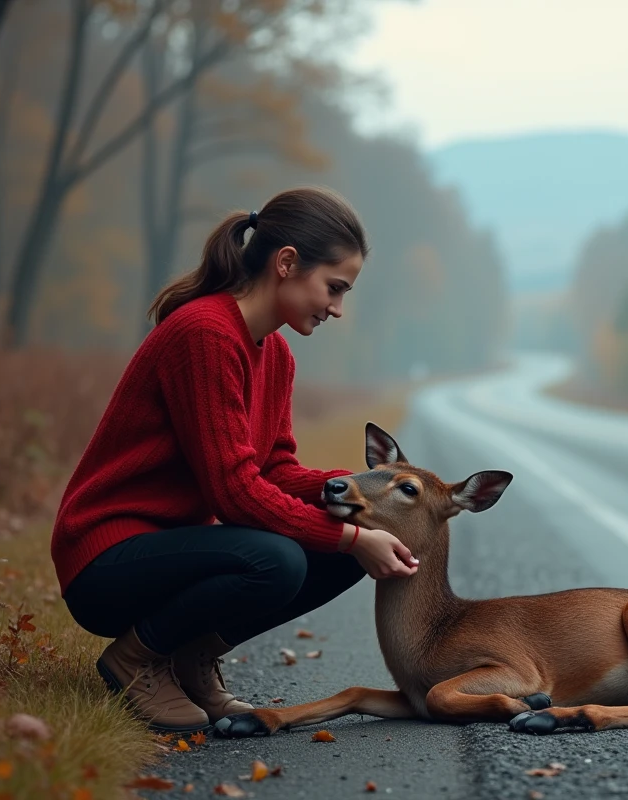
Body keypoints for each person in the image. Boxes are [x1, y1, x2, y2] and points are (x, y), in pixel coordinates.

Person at [50, 186, 419, 733]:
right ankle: (135, 658)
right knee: (281, 559)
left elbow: (275, 470)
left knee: (354, 538)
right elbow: (235, 492)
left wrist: (359, 492)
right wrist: (348, 536)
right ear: (287, 263)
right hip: (105, 560)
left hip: (173, 552)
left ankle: (189, 656)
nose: (337, 309)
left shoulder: (276, 353)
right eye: (334, 288)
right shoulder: (204, 333)